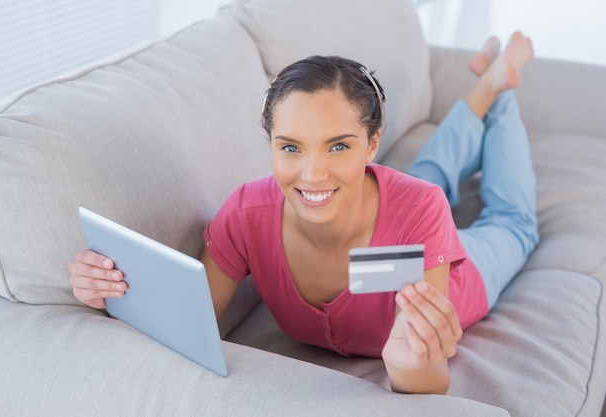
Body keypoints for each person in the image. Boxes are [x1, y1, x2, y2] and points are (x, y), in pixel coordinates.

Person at [68, 31, 539, 395]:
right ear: (271, 143)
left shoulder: (420, 209)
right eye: (291, 147)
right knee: (427, 174)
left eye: (338, 145)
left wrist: (408, 366)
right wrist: (112, 295)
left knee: (511, 223)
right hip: (391, 201)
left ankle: (500, 92)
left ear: (373, 143)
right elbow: (187, 324)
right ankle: (488, 82)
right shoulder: (246, 214)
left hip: (464, 267)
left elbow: (430, 382)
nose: (312, 174)